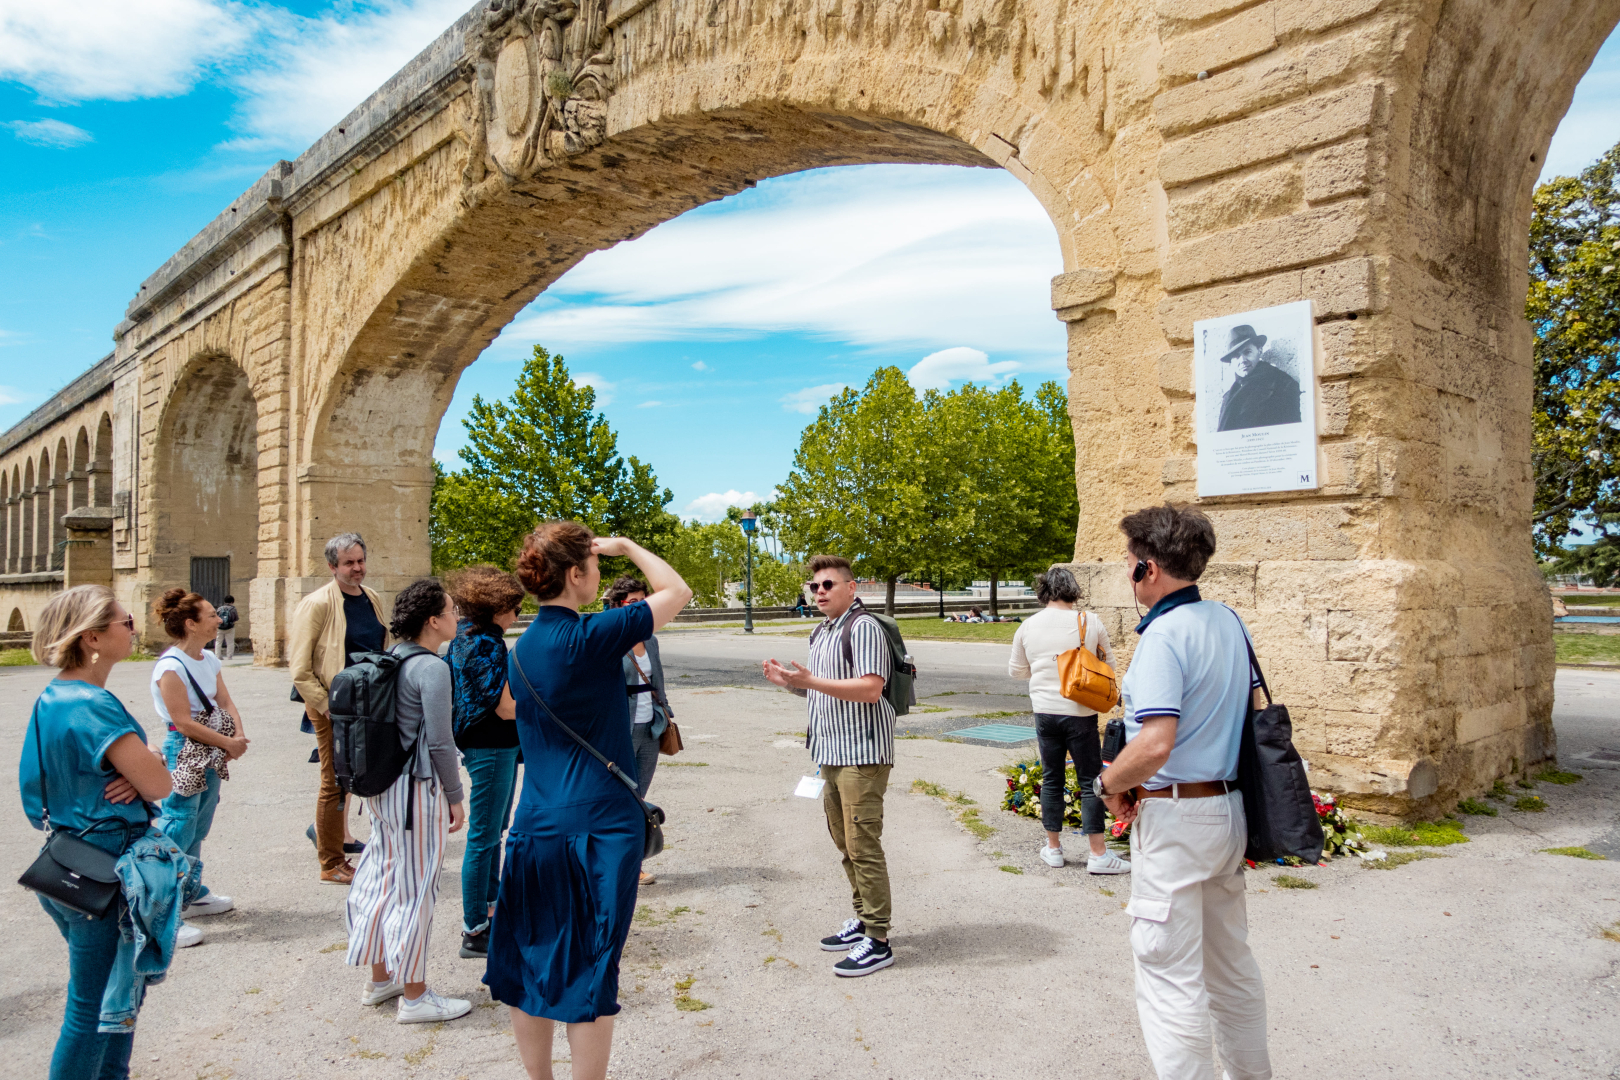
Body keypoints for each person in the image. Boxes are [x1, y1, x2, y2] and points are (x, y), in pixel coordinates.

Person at [488, 523, 691, 1080]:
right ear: (576, 575)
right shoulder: (593, 634)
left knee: (531, 960)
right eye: (594, 566)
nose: (599, 574)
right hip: (599, 824)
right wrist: (627, 548)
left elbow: (510, 712)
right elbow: (676, 591)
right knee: (592, 966)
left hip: (534, 823)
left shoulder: (522, 647)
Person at [1096, 504, 1271, 1080]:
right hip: (1227, 805)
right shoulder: (1227, 620)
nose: (1128, 575)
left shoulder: (1163, 636)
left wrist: (1107, 784)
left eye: (1129, 563)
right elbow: (1250, 709)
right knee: (1230, 966)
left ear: (1148, 568)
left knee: (1168, 976)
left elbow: (1155, 744)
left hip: (1177, 816)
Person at [20, 585, 176, 1080]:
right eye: (125, 623)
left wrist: (135, 770)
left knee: (115, 998)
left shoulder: (55, 696)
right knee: (92, 1008)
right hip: (102, 869)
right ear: (92, 637)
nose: (133, 629)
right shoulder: (91, 703)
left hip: (67, 858)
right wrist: (144, 766)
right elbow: (161, 781)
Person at [761, 554, 896, 978]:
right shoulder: (821, 632)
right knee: (845, 844)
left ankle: (878, 939)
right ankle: (862, 918)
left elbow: (871, 689)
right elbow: (826, 692)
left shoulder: (864, 627)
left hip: (862, 754)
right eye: (815, 586)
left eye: (828, 585)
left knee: (863, 846)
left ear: (851, 588)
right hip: (830, 754)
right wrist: (791, 684)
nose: (819, 592)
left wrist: (809, 681)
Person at [345, 578, 471, 1023]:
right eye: (453, 611)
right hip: (417, 791)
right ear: (433, 621)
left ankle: (381, 978)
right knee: (416, 890)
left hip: (382, 789)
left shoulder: (392, 658)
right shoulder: (433, 668)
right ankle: (415, 996)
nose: (458, 617)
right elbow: (439, 742)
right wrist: (455, 796)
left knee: (382, 878)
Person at [1007, 567, 1130, 875]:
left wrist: (1044, 669)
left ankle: (1053, 849)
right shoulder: (1089, 622)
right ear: (1073, 591)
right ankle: (1098, 854)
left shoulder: (1028, 626)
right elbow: (1109, 667)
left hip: (1045, 713)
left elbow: (1016, 671)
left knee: (1052, 778)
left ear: (1043, 591)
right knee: (1091, 781)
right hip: (1081, 713)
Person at [150, 588, 250, 949]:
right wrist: (228, 743)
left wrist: (237, 734)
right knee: (177, 824)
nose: (218, 619)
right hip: (186, 748)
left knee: (198, 824)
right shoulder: (170, 667)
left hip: (211, 747)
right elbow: (182, 722)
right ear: (191, 624)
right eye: (210, 615)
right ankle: (158, 913)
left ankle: (189, 894)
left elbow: (224, 701)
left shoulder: (208, 660)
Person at [290, 532, 388, 884]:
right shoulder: (317, 604)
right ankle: (330, 862)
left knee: (358, 775)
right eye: (348, 563)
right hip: (333, 705)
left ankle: (353, 844)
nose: (357, 568)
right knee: (333, 780)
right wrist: (325, 705)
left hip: (367, 703)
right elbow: (299, 668)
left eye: (360, 561)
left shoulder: (371, 597)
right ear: (332, 567)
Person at [446, 564, 525, 961]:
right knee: (483, 837)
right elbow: (507, 708)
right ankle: (474, 927)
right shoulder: (486, 643)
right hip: (492, 744)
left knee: (493, 831)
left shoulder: (468, 636)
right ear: (495, 608)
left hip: (489, 743)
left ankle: (489, 910)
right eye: (512, 608)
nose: (516, 616)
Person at [603, 574, 674, 886]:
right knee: (617, 796)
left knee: (639, 797)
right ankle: (610, 863)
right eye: (633, 603)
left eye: (644, 602)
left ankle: (632, 864)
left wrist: (668, 714)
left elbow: (658, 681)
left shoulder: (651, 639)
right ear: (619, 605)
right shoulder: (609, 640)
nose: (640, 607)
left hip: (651, 727)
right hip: (620, 728)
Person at [1215, 324, 1301, 432]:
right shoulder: (1228, 396)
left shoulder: (1282, 385)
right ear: (1231, 361)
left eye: (1247, 352)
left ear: (1259, 351)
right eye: (1236, 356)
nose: (1242, 360)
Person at [213, 594, 238, 660]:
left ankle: (218, 656)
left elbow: (216, 617)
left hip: (220, 627)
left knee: (218, 641)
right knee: (230, 642)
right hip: (230, 627)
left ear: (224, 601)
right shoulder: (233, 609)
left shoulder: (220, 608)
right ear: (232, 602)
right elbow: (236, 618)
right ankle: (229, 656)